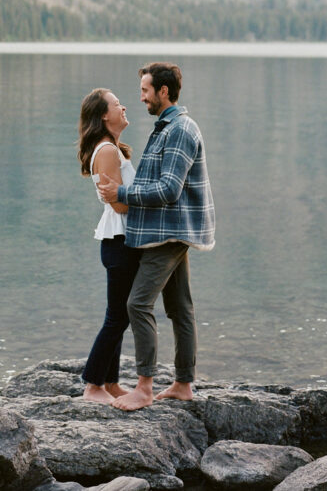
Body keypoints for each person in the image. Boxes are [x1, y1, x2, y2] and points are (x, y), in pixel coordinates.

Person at [98, 62, 215, 410]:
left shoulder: (179, 129)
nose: (142, 97)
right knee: (180, 307)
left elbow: (168, 189)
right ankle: (182, 384)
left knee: (137, 304)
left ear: (164, 92)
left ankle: (144, 388)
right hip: (169, 230)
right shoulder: (165, 128)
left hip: (169, 232)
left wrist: (122, 194)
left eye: (146, 90)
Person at [78, 87, 141, 404]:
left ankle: (111, 382)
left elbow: (121, 196)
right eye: (117, 104)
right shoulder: (105, 151)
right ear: (104, 115)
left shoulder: (113, 149)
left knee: (120, 314)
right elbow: (119, 206)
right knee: (118, 316)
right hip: (119, 240)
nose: (124, 106)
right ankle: (93, 385)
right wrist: (152, 202)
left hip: (122, 240)